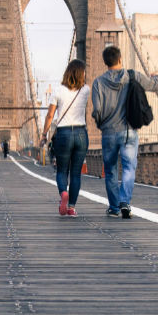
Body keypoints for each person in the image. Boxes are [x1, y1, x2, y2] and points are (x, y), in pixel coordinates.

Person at [91, 45, 158, 219]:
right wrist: (157, 77)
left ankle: (114, 207)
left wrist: (102, 125)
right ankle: (125, 202)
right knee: (129, 167)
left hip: (108, 132)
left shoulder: (98, 83)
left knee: (110, 170)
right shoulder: (133, 75)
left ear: (105, 62)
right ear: (120, 59)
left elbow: (97, 111)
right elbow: (154, 86)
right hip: (129, 131)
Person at [41, 59, 90, 216]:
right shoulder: (86, 90)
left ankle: (63, 193)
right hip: (81, 134)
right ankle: (71, 208)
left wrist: (44, 135)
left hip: (63, 134)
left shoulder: (58, 90)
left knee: (62, 170)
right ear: (82, 74)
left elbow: (50, 115)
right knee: (76, 173)